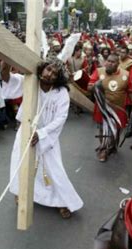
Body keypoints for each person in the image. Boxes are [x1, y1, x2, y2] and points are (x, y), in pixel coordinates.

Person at [9, 58, 83, 219]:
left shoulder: (61, 93)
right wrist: (5, 63)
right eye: (48, 69)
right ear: (42, 68)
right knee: (19, 164)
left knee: (54, 169)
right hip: (26, 132)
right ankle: (20, 192)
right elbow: (8, 81)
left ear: (58, 78)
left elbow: (61, 118)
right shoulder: (30, 81)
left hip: (47, 136)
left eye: (55, 73)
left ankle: (63, 201)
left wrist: (41, 134)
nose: (50, 74)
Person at [88, 53, 132, 162]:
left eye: (112, 62)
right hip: (102, 109)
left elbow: (131, 91)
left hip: (118, 110)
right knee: (103, 130)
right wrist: (95, 85)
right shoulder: (99, 71)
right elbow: (89, 87)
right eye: (108, 61)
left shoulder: (126, 74)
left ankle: (113, 146)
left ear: (118, 64)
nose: (109, 63)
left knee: (116, 131)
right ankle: (104, 149)